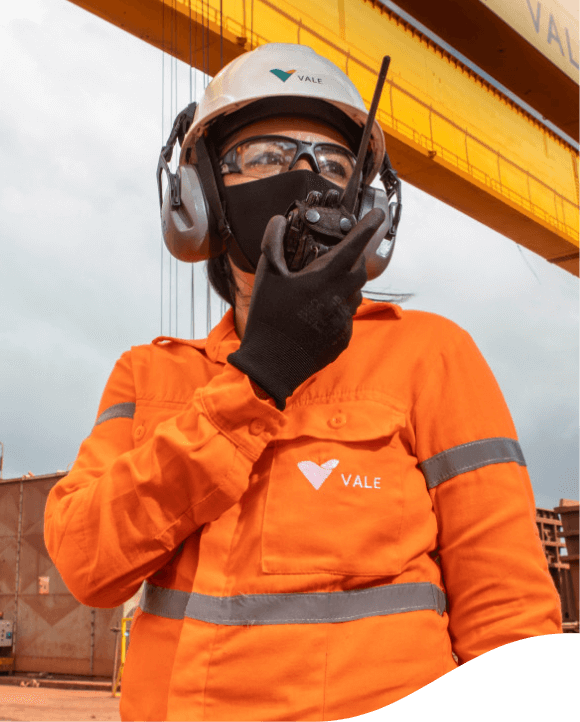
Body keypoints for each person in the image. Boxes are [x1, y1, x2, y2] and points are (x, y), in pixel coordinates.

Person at [44, 43, 563, 722]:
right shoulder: (149, 374)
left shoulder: (433, 357)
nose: (304, 176)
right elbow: (88, 563)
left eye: (333, 162)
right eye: (264, 155)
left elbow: (509, 616)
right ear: (198, 198)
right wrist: (259, 377)